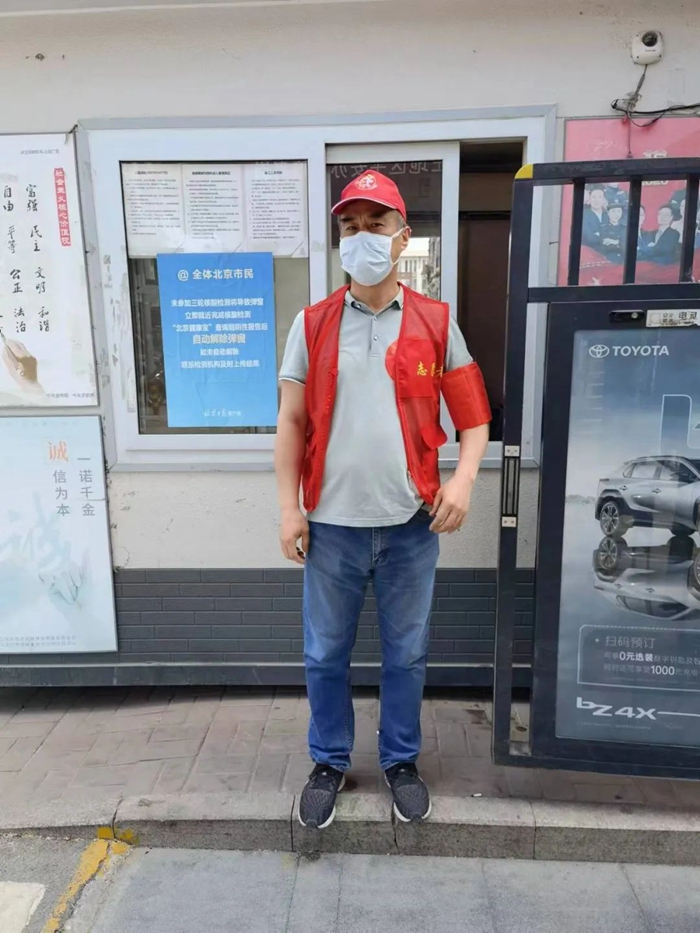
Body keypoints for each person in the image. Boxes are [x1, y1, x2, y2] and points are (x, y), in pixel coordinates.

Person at [275, 170, 490, 829]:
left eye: (376, 223)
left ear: (403, 237)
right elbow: (291, 421)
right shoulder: (312, 324)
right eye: (350, 225)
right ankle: (329, 761)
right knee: (323, 655)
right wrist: (288, 507)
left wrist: (463, 480)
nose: (362, 235)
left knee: (407, 654)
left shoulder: (436, 322)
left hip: (410, 525)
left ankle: (401, 761)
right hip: (330, 527)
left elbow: (474, 417)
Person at [582, 186, 608, 252]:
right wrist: (606, 239)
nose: (596, 200)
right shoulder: (584, 215)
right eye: (593, 197)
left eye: (600, 197)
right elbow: (590, 238)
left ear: (603, 199)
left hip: (609, 252)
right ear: (589, 199)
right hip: (590, 252)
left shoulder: (608, 215)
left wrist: (598, 235)